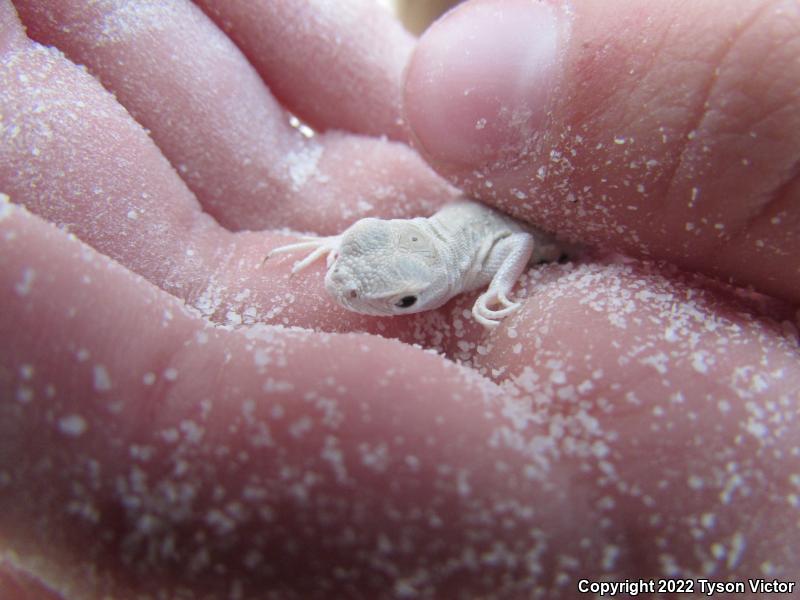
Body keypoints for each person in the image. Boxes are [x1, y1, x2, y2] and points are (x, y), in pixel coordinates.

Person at [1, 0, 798, 597]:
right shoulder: (417, 244)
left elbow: (515, 245)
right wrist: (333, 245)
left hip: (536, 230)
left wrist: (501, 288)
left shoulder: (477, 259)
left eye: (406, 300)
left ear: (435, 289)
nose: (361, 299)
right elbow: (384, 231)